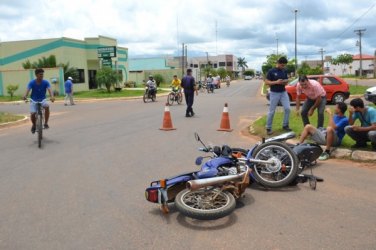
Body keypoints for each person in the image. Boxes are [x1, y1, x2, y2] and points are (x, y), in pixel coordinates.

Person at [23, 68, 55, 133]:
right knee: (32, 114)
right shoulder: (32, 82)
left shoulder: (46, 82)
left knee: (47, 106)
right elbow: (27, 89)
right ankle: (34, 125)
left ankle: (46, 123)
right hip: (33, 100)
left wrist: (52, 96)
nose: (42, 76)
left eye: (42, 74)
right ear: (36, 75)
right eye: (40, 74)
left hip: (43, 100)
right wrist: (25, 96)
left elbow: (50, 89)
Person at [265, 56, 291, 135]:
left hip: (283, 92)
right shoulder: (271, 71)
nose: (283, 67)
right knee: (272, 111)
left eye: (284, 65)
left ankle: (285, 125)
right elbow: (266, 82)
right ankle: (268, 127)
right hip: (274, 93)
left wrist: (285, 81)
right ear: (278, 63)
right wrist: (276, 82)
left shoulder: (284, 71)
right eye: (282, 65)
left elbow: (286, 81)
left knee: (287, 109)